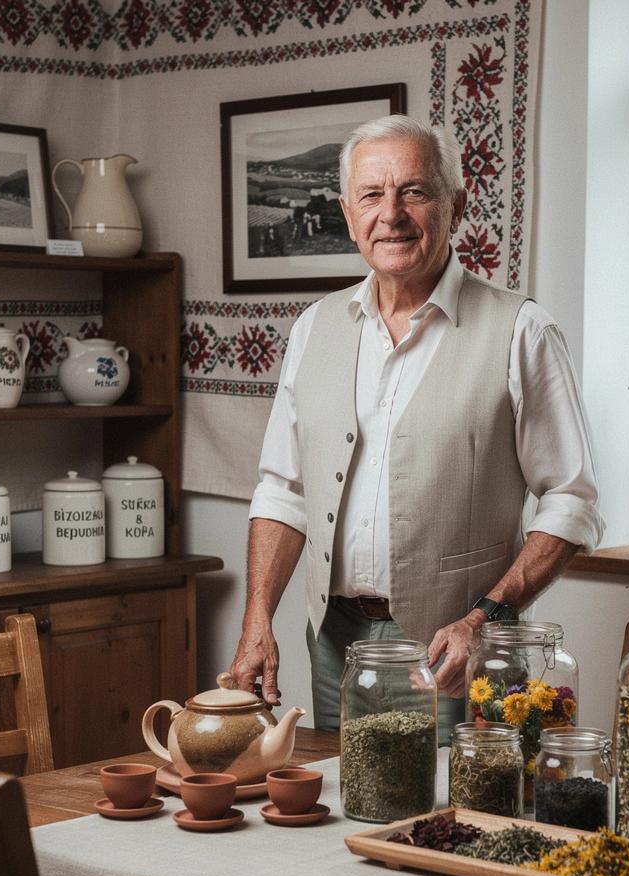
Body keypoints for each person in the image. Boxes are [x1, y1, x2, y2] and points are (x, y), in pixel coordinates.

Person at [228, 115, 604, 736]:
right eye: (372, 195)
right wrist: (256, 620)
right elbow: (282, 491)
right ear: (348, 214)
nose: (392, 214)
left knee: (456, 820)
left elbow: (573, 501)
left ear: (456, 205)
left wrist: (483, 618)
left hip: (461, 648)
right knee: (346, 809)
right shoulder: (313, 329)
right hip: (336, 644)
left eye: (415, 191)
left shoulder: (521, 330)